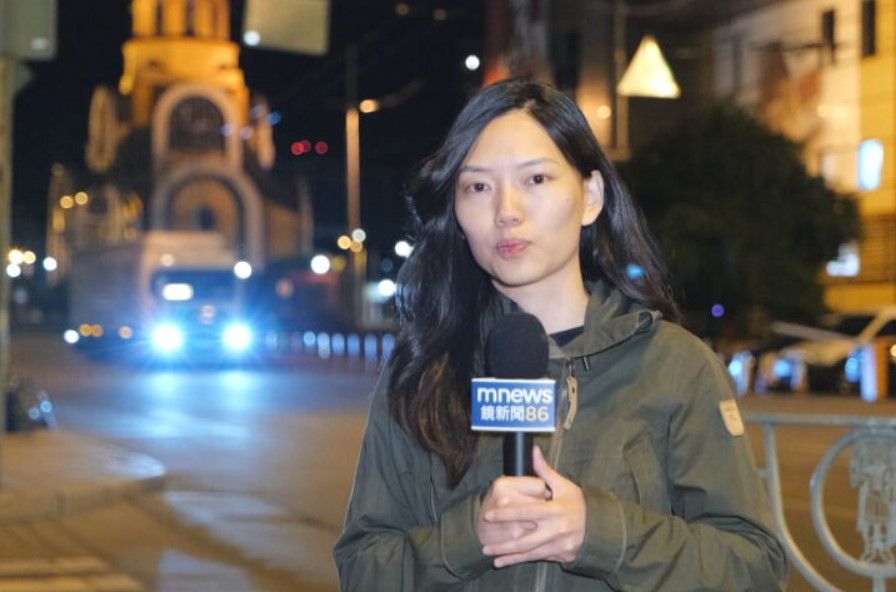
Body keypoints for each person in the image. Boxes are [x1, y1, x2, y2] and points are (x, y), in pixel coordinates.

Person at [333, 79, 788, 591]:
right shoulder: (422, 371)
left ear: (590, 196)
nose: (506, 210)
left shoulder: (676, 366)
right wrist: (469, 537)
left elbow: (753, 568)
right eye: (478, 187)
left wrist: (600, 533)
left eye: (536, 179)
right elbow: (364, 568)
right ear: (456, 213)